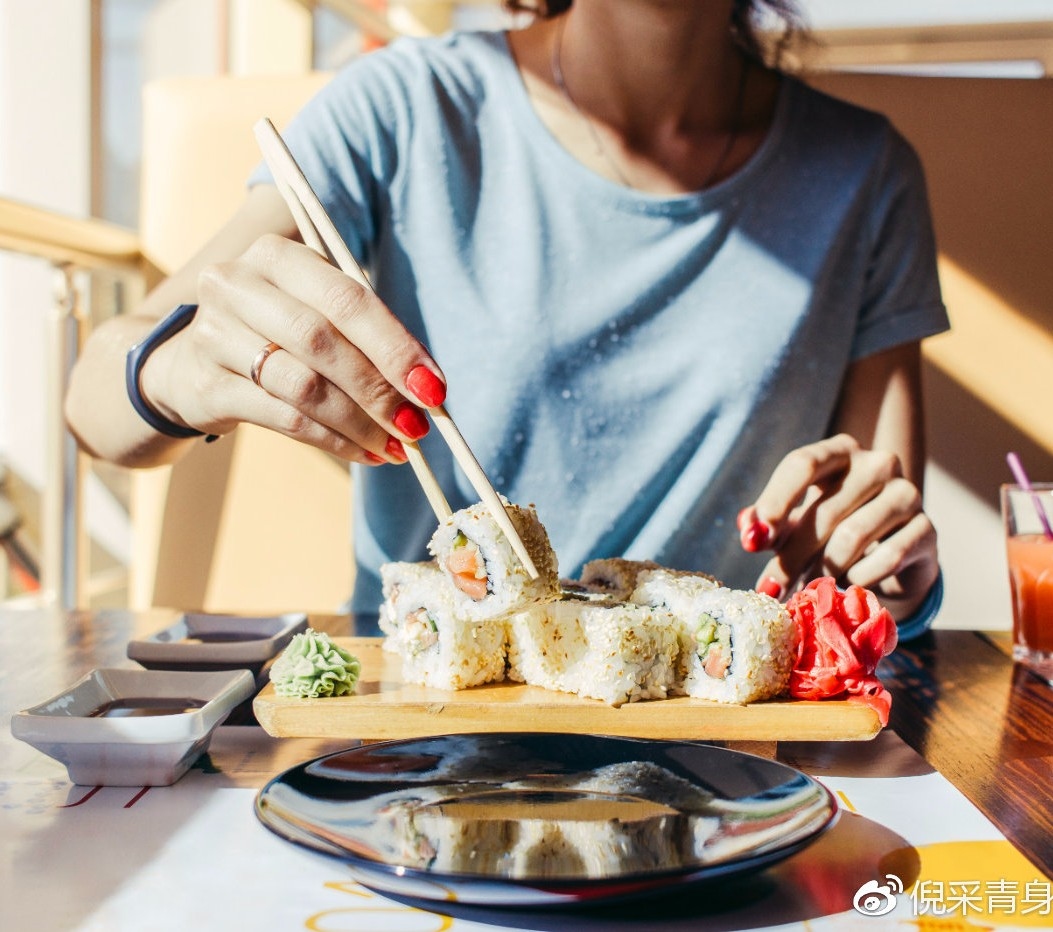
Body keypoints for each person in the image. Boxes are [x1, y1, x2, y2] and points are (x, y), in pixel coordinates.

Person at [65, 0, 947, 637]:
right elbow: (94, 406)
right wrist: (175, 373)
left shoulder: (865, 173)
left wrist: (887, 572)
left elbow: (873, 556)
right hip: (425, 719)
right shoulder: (404, 107)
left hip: (716, 736)